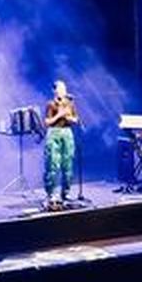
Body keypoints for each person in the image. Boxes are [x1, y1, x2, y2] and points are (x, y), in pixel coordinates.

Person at [43, 80, 79, 209]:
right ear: (55, 91)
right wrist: (59, 115)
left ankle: (66, 193)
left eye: (64, 88)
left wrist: (71, 119)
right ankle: (51, 193)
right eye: (60, 88)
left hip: (67, 133)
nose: (63, 91)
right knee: (52, 163)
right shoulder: (51, 104)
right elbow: (47, 122)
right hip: (54, 132)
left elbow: (76, 119)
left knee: (67, 164)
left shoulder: (70, 103)